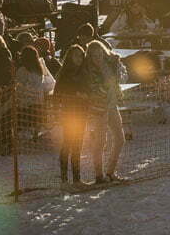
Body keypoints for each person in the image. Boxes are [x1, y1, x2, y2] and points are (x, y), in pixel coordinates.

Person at [85, 39, 124, 184]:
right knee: (100, 142)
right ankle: (99, 176)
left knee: (120, 138)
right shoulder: (89, 70)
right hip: (98, 108)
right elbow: (95, 89)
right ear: (89, 57)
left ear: (103, 52)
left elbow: (119, 79)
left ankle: (110, 172)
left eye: (99, 54)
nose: (97, 58)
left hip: (112, 105)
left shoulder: (110, 64)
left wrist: (117, 66)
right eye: (94, 55)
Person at [53, 44, 92, 186]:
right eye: (76, 55)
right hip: (69, 113)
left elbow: (89, 90)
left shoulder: (84, 73)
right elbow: (58, 94)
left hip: (82, 113)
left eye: (81, 55)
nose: (79, 58)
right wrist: (75, 95)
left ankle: (77, 178)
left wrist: (87, 96)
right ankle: (64, 178)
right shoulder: (65, 74)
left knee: (78, 145)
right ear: (70, 57)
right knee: (68, 144)